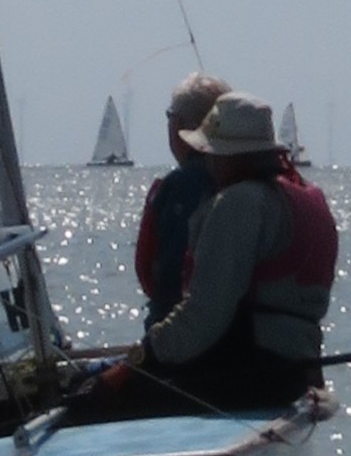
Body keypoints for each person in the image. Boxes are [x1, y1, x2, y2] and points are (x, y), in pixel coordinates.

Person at [64, 92, 336, 422]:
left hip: (248, 373)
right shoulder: (304, 197)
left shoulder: (237, 204)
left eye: (210, 151)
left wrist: (132, 365)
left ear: (228, 155)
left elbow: (204, 316)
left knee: (86, 395)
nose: (206, 160)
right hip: (292, 372)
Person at [134, 74, 235, 322]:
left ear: (178, 124)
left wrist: (158, 346)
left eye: (169, 117)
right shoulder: (243, 180)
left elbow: (172, 277)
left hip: (183, 336)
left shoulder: (181, 186)